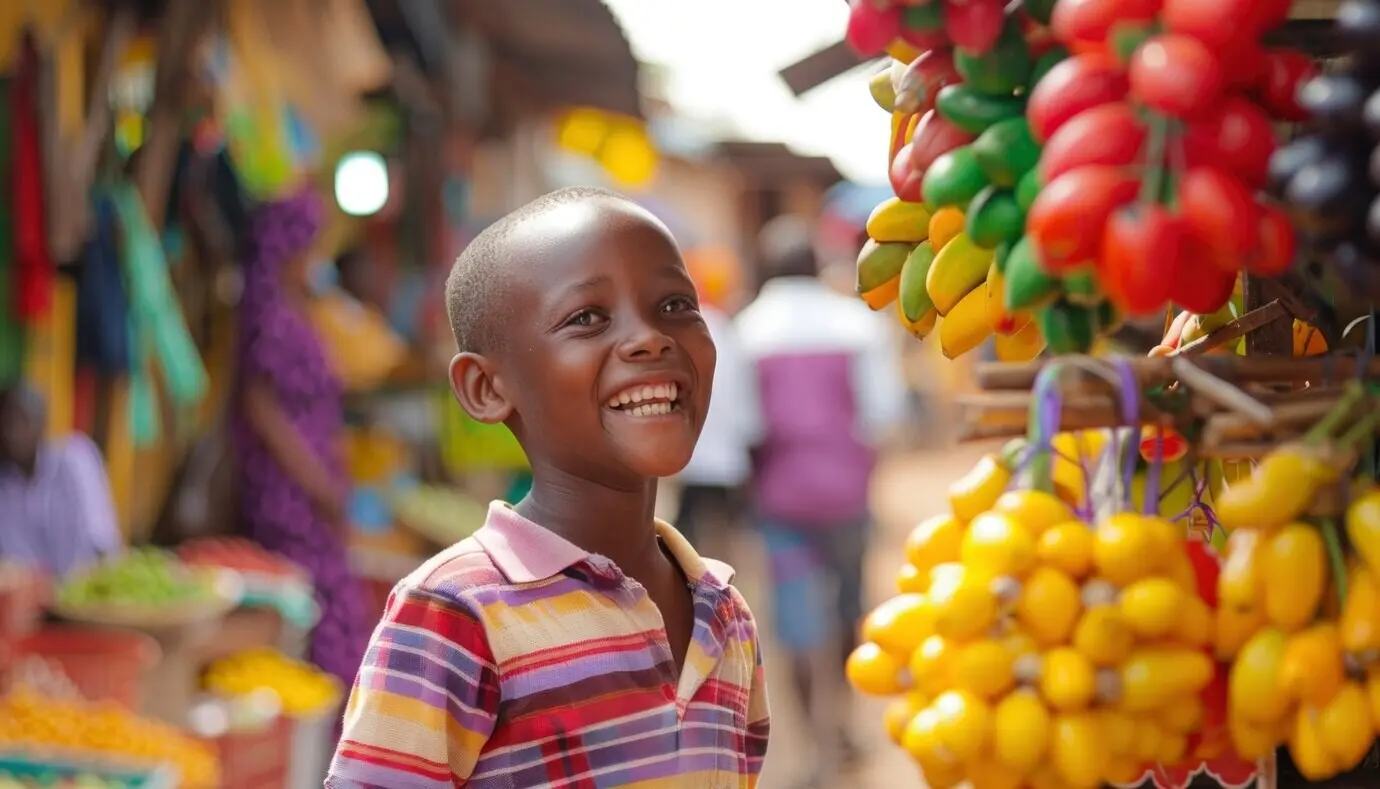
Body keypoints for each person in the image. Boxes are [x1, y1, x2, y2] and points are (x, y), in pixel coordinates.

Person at [327, 187, 770, 788]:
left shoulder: (724, 613)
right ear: (486, 388)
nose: (651, 338)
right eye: (587, 318)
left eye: (674, 305)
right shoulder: (457, 613)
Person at [735, 215, 908, 785]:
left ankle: (814, 741)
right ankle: (844, 728)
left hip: (781, 501)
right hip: (846, 495)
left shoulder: (747, 332)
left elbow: (744, 425)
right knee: (848, 610)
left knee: (795, 623)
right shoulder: (855, 326)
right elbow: (883, 413)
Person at [230, 189, 371, 688]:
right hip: (290, 492)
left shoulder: (298, 308)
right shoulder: (273, 316)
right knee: (315, 605)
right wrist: (317, 484)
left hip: (312, 486)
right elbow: (262, 410)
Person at [674, 246, 758, 553]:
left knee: (684, 542)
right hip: (725, 460)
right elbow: (743, 405)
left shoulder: (676, 332)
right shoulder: (725, 331)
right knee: (723, 546)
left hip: (689, 460)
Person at [0, 383, 122, 577]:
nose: (10, 431)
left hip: (89, 592)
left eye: (20, 420)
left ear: (42, 423)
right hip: (36, 600)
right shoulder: (5, 485)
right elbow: (14, 566)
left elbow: (101, 542)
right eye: (4, 421)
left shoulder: (75, 459)